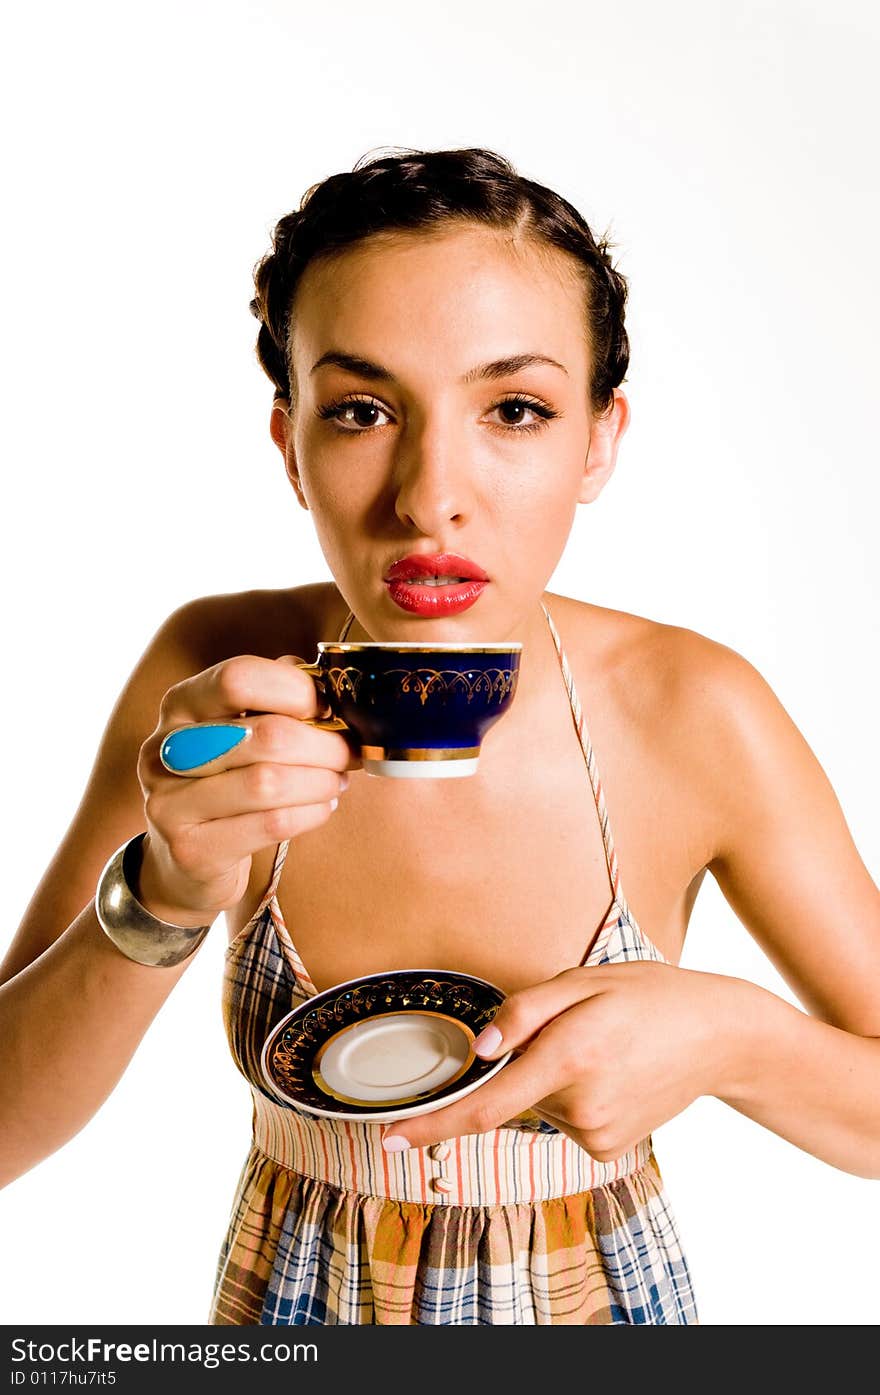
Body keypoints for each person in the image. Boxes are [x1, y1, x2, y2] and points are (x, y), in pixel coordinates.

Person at [1, 146, 878, 1328]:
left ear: (599, 442)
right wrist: (164, 891)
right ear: (290, 449)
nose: (428, 497)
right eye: (362, 411)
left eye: (513, 409)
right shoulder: (214, 687)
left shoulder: (694, 707)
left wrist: (736, 1041)